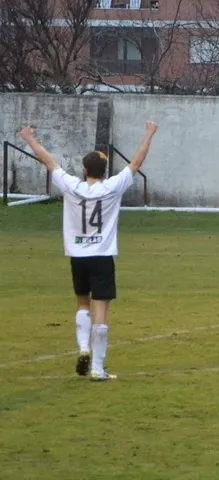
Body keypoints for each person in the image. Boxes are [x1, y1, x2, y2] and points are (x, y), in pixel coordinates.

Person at [17, 122, 158, 381]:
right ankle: (97, 369)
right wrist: (149, 133)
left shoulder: (72, 186)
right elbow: (136, 162)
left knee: (83, 303)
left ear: (84, 170)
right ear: (105, 171)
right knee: (101, 310)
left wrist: (29, 138)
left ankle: (83, 348)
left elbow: (48, 161)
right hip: (102, 257)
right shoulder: (112, 187)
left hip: (77, 256)